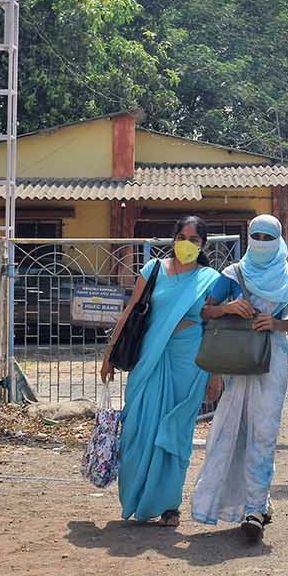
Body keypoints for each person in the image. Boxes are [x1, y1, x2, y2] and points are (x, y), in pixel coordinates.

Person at [191, 215, 288, 541]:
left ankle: (255, 508)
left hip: (272, 361)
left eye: (267, 237)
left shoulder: (287, 279)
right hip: (236, 360)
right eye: (255, 235)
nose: (260, 242)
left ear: (279, 240)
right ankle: (248, 502)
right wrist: (229, 308)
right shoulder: (233, 274)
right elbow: (205, 311)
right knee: (231, 428)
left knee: (264, 430)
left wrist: (276, 324)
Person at [99, 216, 222, 527]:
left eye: (195, 240)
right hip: (148, 360)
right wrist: (109, 354)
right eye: (183, 237)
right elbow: (129, 311)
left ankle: (169, 506)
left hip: (188, 364)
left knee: (175, 434)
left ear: (202, 245)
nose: (188, 244)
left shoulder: (210, 278)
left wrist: (214, 374)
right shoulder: (153, 269)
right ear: (173, 238)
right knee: (137, 430)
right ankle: (137, 499)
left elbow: (213, 326)